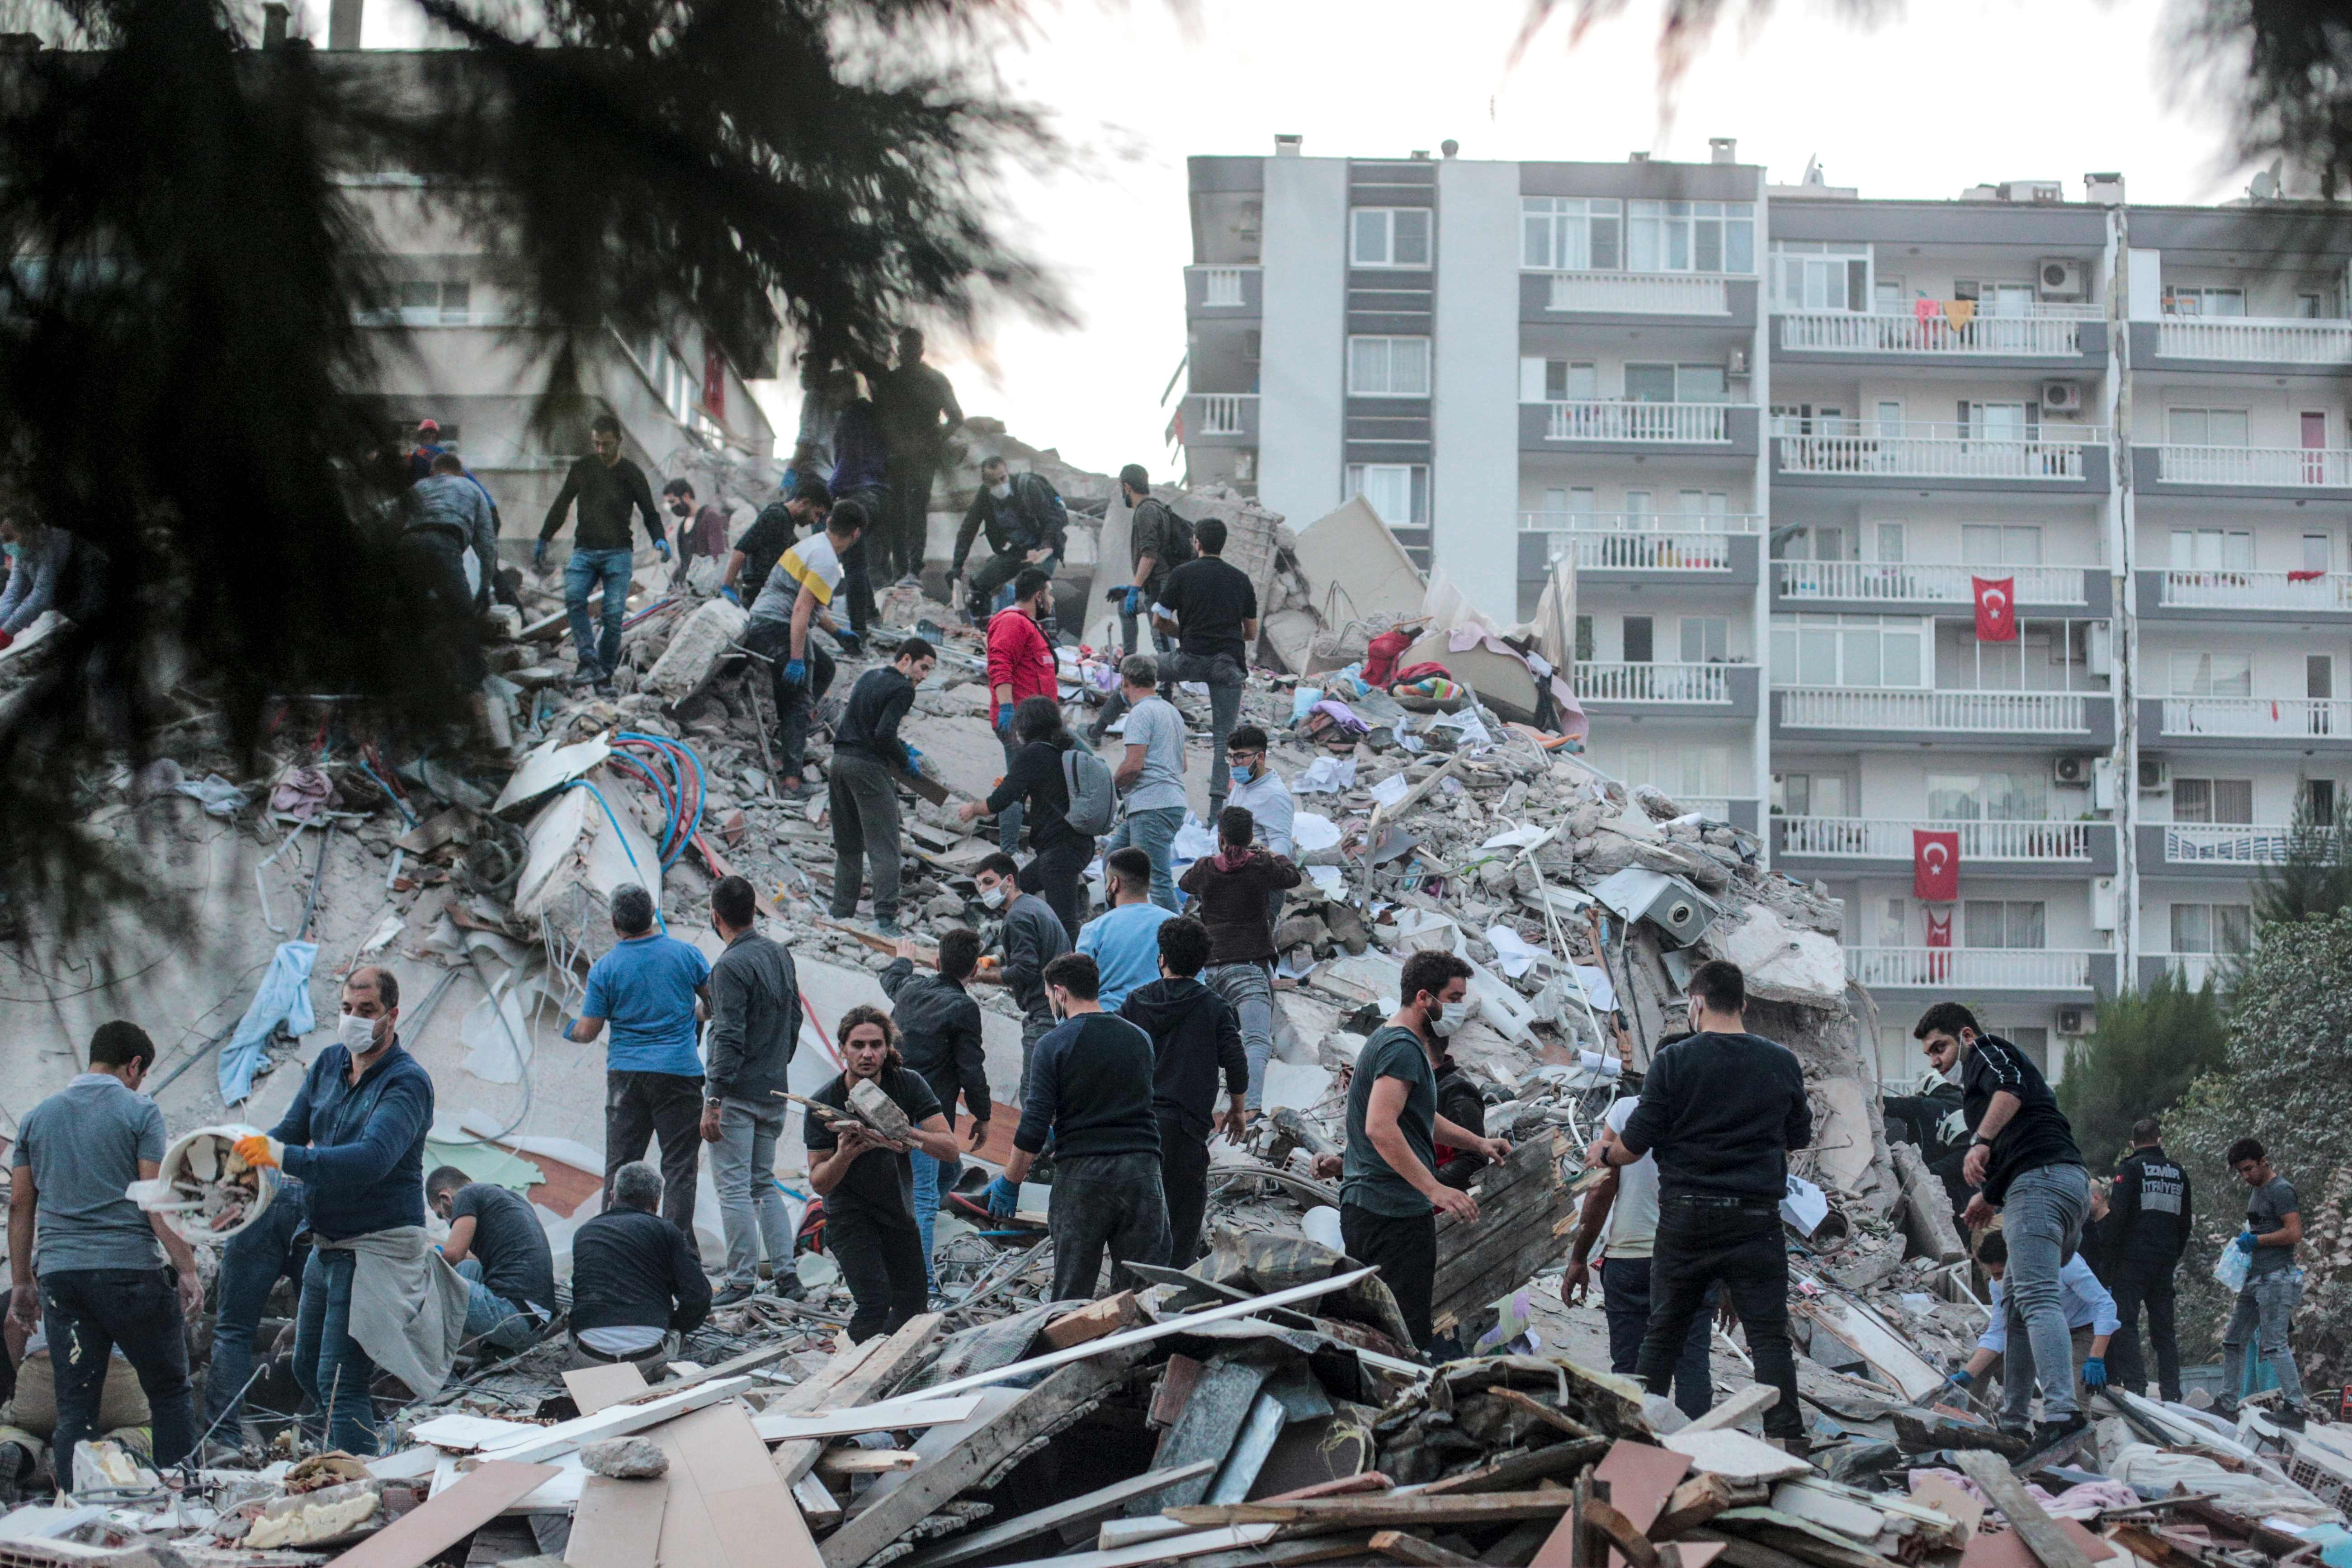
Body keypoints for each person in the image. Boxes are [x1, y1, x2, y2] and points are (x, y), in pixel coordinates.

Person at [1601, 960, 1808, 1444]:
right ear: (1744, 1004)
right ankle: (1789, 1443)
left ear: (1695, 1004)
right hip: (1757, 1221)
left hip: (1687, 1218)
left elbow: (1633, 1146)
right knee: (1769, 1338)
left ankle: (1637, 1440)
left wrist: (1604, 1152)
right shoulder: (1781, 1062)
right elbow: (1796, 1136)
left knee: (1664, 1332)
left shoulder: (1674, 1062)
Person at [238, 967, 437, 1457]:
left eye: (366, 1012)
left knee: (337, 1378)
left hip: (375, 1245)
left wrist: (284, 1158)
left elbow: (372, 1160)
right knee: (308, 1366)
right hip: (327, 1243)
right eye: (346, 1009)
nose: (353, 1020)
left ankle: (362, 1476)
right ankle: (375, 1444)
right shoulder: (330, 1064)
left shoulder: (407, 1083)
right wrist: (238, 1161)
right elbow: (288, 1129)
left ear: (392, 1016)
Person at [7, 1022, 201, 1485]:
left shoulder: (36, 1118)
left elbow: (19, 1204)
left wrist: (22, 1283)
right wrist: (187, 1267)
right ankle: (182, 1501)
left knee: (76, 1407)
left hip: (62, 1278)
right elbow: (154, 1199)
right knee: (170, 1391)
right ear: (134, 1065)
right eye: (142, 1073)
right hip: (129, 1273)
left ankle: (78, 1511)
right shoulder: (141, 1111)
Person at [1913, 1002, 2092, 1447]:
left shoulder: (1987, 1053)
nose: (1936, 1060)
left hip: (2044, 1183)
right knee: (2013, 1308)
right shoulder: (1980, 1091)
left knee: (2035, 1298)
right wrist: (1987, 1198)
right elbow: (2020, 1141)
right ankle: (2014, 1422)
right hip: (2050, 1184)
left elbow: (2011, 1090)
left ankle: (2063, 1413)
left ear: (1966, 1035)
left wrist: (1980, 1142)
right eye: (1929, 1055)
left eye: (1941, 1047)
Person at [1332, 949, 1513, 1353]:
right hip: (1389, 1214)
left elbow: (1421, 1117)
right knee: (1403, 1338)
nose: (1459, 1009)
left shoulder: (1395, 1041)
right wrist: (1434, 1189)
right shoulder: (1401, 1047)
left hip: (1377, 1208)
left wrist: (1478, 1143)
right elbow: (1380, 1127)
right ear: (1423, 998)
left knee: (1373, 1326)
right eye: (1452, 999)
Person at [989, 954, 1170, 1300]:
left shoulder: (1053, 1043)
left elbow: (1034, 1126)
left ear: (1060, 993)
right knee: (1143, 1292)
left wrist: (1010, 1182)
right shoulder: (1140, 1039)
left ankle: (1071, 1353)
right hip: (1143, 1171)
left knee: (1072, 1294)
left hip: (1084, 1176)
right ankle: (1142, 1354)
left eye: (1048, 996)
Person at [1560, 1075, 1714, 1420]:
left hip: (1631, 1261)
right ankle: (1698, 1456)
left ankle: (1636, 1456)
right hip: (1690, 1261)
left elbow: (1600, 1190)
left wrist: (1579, 1258)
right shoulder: (1711, 1116)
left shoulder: (1629, 1110)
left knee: (1632, 1373)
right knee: (1692, 1362)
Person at [805, 1007, 961, 1341]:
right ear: (842, 1050)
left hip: (896, 1210)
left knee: (914, 1308)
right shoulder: (823, 1101)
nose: (867, 1054)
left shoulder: (908, 1084)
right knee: (875, 1304)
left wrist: (908, 1134)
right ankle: (850, 1373)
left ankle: (890, 1370)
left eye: (876, 1045)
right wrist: (845, 1155)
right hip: (849, 1215)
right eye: (858, 1045)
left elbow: (950, 1149)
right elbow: (819, 1182)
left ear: (888, 1049)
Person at [568, 884, 713, 1245]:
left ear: (615, 922)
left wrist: (568, 1029)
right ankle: (677, 1250)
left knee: (619, 1167)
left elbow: (588, 1031)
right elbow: (716, 1004)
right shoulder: (687, 955)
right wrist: (695, 1016)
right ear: (653, 915)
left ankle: (611, 1247)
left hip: (627, 1078)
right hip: (679, 1074)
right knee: (679, 1168)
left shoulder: (606, 969)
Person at [699, 875, 802, 1306]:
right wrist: (777, 1064)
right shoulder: (779, 954)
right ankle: (788, 1276)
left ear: (716, 916)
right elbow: (794, 1019)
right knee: (764, 1185)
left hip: (738, 1095)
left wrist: (714, 1098)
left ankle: (741, 1281)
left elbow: (727, 1036)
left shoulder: (729, 967)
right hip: (774, 1091)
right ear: (755, 911)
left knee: (734, 1188)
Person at [1119, 918, 1245, 1266]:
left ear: (1162, 958)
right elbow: (1237, 1063)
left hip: (1137, 1126)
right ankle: (1168, 1300)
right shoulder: (1215, 1008)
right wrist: (1237, 1110)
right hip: (1186, 1130)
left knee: (1133, 1219)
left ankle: (1124, 1293)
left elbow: (1116, 1056)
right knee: (1183, 1220)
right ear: (1203, 964)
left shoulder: (1136, 1002)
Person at [881, 930, 992, 1289]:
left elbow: (891, 978)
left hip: (887, 1107)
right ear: (975, 971)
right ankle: (923, 1285)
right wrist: (983, 1115)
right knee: (926, 1196)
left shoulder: (910, 989)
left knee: (951, 1169)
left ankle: (902, 1231)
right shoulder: (964, 1008)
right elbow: (971, 1069)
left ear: (937, 962)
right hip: (926, 1117)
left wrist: (904, 957)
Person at [1131, 517, 1256, 825]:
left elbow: (1158, 620)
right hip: (1227, 664)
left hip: (1188, 658)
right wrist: (1223, 635)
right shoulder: (1241, 580)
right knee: (1223, 740)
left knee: (1137, 671)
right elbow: (1251, 632)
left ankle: (1096, 730)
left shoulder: (1181, 574)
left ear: (1197, 542)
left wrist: (1186, 634)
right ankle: (1215, 816)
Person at [1178, 806, 1301, 1114]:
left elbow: (1184, 884)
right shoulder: (1260, 865)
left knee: (1205, 1043)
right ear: (1251, 838)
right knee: (1257, 1042)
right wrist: (1272, 853)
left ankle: (1199, 1109)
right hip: (1249, 967)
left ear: (1220, 837)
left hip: (1210, 970)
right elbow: (1293, 877)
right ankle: (1251, 1110)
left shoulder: (1206, 868)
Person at [535, 413, 668, 689]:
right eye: (596, 444)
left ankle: (604, 675)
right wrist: (544, 537)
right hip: (585, 550)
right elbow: (562, 504)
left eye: (607, 445)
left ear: (619, 441)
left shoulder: (632, 474)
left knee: (613, 613)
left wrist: (660, 539)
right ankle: (588, 661)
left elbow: (650, 513)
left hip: (618, 553)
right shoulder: (583, 468)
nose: (601, 451)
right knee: (574, 599)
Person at [742, 500, 864, 796]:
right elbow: (800, 611)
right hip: (778, 628)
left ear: (829, 521)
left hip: (761, 621)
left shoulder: (812, 546)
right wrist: (797, 659)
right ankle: (792, 781)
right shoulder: (827, 563)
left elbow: (807, 605)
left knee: (825, 668)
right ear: (856, 534)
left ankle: (791, 738)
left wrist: (838, 634)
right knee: (798, 700)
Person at [1946, 1231, 2118, 1422]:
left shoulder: (2065, 1264)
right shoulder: (1998, 1286)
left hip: (2079, 1330)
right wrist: (1968, 1374)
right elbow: (1999, 1332)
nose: (1997, 1281)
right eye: (1992, 1275)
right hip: (2034, 1327)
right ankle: (1962, 1425)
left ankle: (2080, 1448)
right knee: (1978, 1368)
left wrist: (2096, 1358)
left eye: (2001, 1274)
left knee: (2073, 1404)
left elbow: (2106, 1305)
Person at [958, 696, 1091, 942]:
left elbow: (1001, 800)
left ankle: (1075, 973)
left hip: (1061, 851)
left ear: (1024, 727)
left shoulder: (1035, 754)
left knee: (1066, 925)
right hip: (1075, 846)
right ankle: (1020, 940)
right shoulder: (1064, 750)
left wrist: (973, 809)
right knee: (1020, 889)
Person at [830, 637, 936, 936]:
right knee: (886, 846)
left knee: (848, 845)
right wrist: (904, 761)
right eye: (923, 668)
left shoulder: (869, 677)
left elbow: (865, 724)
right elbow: (883, 735)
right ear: (905, 660)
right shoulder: (903, 689)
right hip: (866, 767)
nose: (923, 676)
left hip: (839, 762)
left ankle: (840, 912)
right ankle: (886, 919)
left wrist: (900, 746)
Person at [567, 1162, 709, 1380]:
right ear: (657, 1202)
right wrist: (674, 1326)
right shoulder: (666, 1232)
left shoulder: (584, 1233)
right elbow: (699, 1297)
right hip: (648, 1357)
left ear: (613, 1196)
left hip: (589, 1360)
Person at [202, 1176, 309, 1443]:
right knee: (325, 1330)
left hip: (262, 1195)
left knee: (233, 1331)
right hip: (315, 1198)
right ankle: (318, 1440)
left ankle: (224, 1440)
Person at [2219, 1138, 2309, 1420]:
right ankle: (2226, 1404)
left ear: (2263, 1162)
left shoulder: (2281, 1190)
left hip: (2277, 1278)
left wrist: (2257, 1241)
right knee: (2233, 1341)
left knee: (2274, 1345)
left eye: (2249, 1169)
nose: (2246, 1176)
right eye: (2240, 1172)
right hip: (2255, 1278)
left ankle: (2295, 1406)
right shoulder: (2257, 1191)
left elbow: (2294, 1233)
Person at [970, 852, 1069, 1106]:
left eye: (989, 882)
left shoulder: (1017, 917)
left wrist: (981, 977)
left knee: (1034, 1098)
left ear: (1010, 880)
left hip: (1046, 1013)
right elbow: (1028, 949)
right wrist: (994, 959)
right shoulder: (1034, 906)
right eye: (980, 885)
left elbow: (1025, 970)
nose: (984, 891)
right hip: (1061, 1009)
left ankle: (1036, 1146)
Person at [2106, 1117, 2191, 1402]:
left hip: (2132, 1261)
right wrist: (2172, 1254)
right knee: (2164, 1329)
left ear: (2133, 1144)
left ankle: (2136, 1387)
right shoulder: (2179, 1173)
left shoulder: (2129, 1170)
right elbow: (2185, 1222)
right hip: (2164, 1261)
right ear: (2160, 1140)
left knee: (2125, 1322)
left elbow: (2117, 1218)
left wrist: (2112, 1258)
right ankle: (2172, 1393)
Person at [402, 451, 496, 709]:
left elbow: (390, 517)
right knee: (463, 613)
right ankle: (473, 682)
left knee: (409, 613)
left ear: (433, 472)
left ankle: (405, 681)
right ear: (461, 472)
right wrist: (485, 587)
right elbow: (487, 544)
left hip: (407, 544)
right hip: (444, 542)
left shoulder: (419, 487)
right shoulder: (471, 488)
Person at [976, 567, 1061, 853]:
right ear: (1038, 596)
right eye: (1049, 594)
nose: (1052, 600)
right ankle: (1010, 853)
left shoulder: (1030, 625)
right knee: (1017, 786)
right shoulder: (1013, 622)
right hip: (1020, 725)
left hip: (1039, 726)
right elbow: (999, 665)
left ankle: (1021, 850)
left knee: (1025, 784)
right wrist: (1008, 708)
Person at [425, 1169, 553, 1354]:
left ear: (446, 1199)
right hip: (534, 1319)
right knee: (469, 1267)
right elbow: (470, 1258)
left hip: (513, 1315)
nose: (445, 1221)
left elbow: (454, 1254)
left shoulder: (466, 1195)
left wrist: (422, 1252)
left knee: (434, 1284)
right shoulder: (507, 1197)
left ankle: (431, 1365)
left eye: (440, 1215)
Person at [872, 327, 964, 585]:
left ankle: (908, 570)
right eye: (905, 349)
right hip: (907, 456)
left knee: (904, 512)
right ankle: (908, 570)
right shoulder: (925, 380)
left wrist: (933, 441)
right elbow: (956, 419)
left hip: (908, 457)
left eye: (910, 348)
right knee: (908, 513)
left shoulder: (899, 381)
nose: (907, 353)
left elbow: (957, 418)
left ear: (918, 351)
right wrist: (934, 440)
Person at [1101, 654, 1186, 911]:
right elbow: (1183, 765)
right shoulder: (1172, 712)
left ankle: (1179, 946)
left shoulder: (1141, 712)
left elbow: (1133, 766)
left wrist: (1110, 786)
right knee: (1112, 861)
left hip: (1152, 806)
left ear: (1126, 681)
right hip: (1167, 803)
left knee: (1157, 881)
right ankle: (1114, 926)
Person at [950, 456, 1067, 621]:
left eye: (1003, 479)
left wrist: (1046, 545)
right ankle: (984, 633)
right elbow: (968, 530)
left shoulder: (1028, 486)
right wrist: (956, 567)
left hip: (1044, 547)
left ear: (1008, 474)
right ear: (985, 482)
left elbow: (1057, 517)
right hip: (1019, 551)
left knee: (1033, 585)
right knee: (979, 585)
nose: (1000, 486)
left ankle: (1048, 638)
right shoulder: (985, 497)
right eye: (993, 482)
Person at [1077, 847, 1179, 1012]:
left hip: (1113, 1022)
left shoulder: (1094, 930)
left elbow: (1079, 990)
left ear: (1115, 883)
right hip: (1167, 1022)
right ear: (1149, 883)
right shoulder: (1177, 924)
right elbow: (1196, 981)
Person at [828, 390, 889, 645]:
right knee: (859, 558)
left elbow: (848, 459)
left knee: (852, 564)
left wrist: (831, 489)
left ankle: (858, 632)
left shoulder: (850, 417)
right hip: (880, 495)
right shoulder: (873, 415)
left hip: (858, 494)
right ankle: (872, 614)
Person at [724, 477, 829, 613]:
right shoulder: (776, 516)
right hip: (757, 596)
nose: (815, 521)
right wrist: (727, 587)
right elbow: (741, 550)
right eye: (817, 514)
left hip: (768, 596)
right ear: (805, 503)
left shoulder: (788, 523)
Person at [1111, 464, 1183, 658]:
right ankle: (1129, 660)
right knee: (1124, 607)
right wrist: (1131, 590)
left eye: (1121, 488)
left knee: (1160, 635)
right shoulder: (1155, 508)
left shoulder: (1146, 511)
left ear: (1127, 487)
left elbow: (1150, 555)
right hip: (1153, 584)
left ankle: (1169, 685)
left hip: (1160, 583)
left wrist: (1135, 588)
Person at [0, 516, 105, 648]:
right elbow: (13, 592)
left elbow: (41, 596)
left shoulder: (43, 543)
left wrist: (7, 631)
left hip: (88, 579)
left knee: (102, 631)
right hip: (69, 591)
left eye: (9, 538)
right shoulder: (21, 552)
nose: (6, 546)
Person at [1223, 726, 1295, 860]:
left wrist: (1262, 864)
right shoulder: (1242, 784)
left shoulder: (1275, 795)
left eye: (1240, 757)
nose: (1233, 764)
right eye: (1230, 757)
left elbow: (1282, 842)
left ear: (1260, 758)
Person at [661, 477, 731, 575]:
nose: (672, 507)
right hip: (689, 584)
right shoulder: (683, 527)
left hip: (704, 583)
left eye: (673, 502)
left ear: (686, 496)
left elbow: (717, 555)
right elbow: (685, 563)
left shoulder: (709, 517)